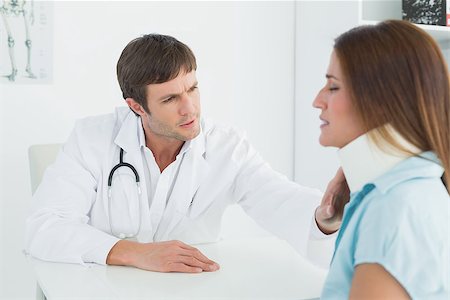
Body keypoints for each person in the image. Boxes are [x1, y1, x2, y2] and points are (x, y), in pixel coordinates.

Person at [25, 34, 348, 273]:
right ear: (136, 107)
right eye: (169, 100)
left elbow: (279, 200)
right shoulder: (92, 138)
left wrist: (325, 216)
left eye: (192, 89)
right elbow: (44, 227)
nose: (189, 108)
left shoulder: (226, 146)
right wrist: (135, 252)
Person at [313, 20, 449, 299]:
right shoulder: (415, 189)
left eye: (333, 87)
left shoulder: (392, 208)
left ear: (382, 100)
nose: (318, 100)